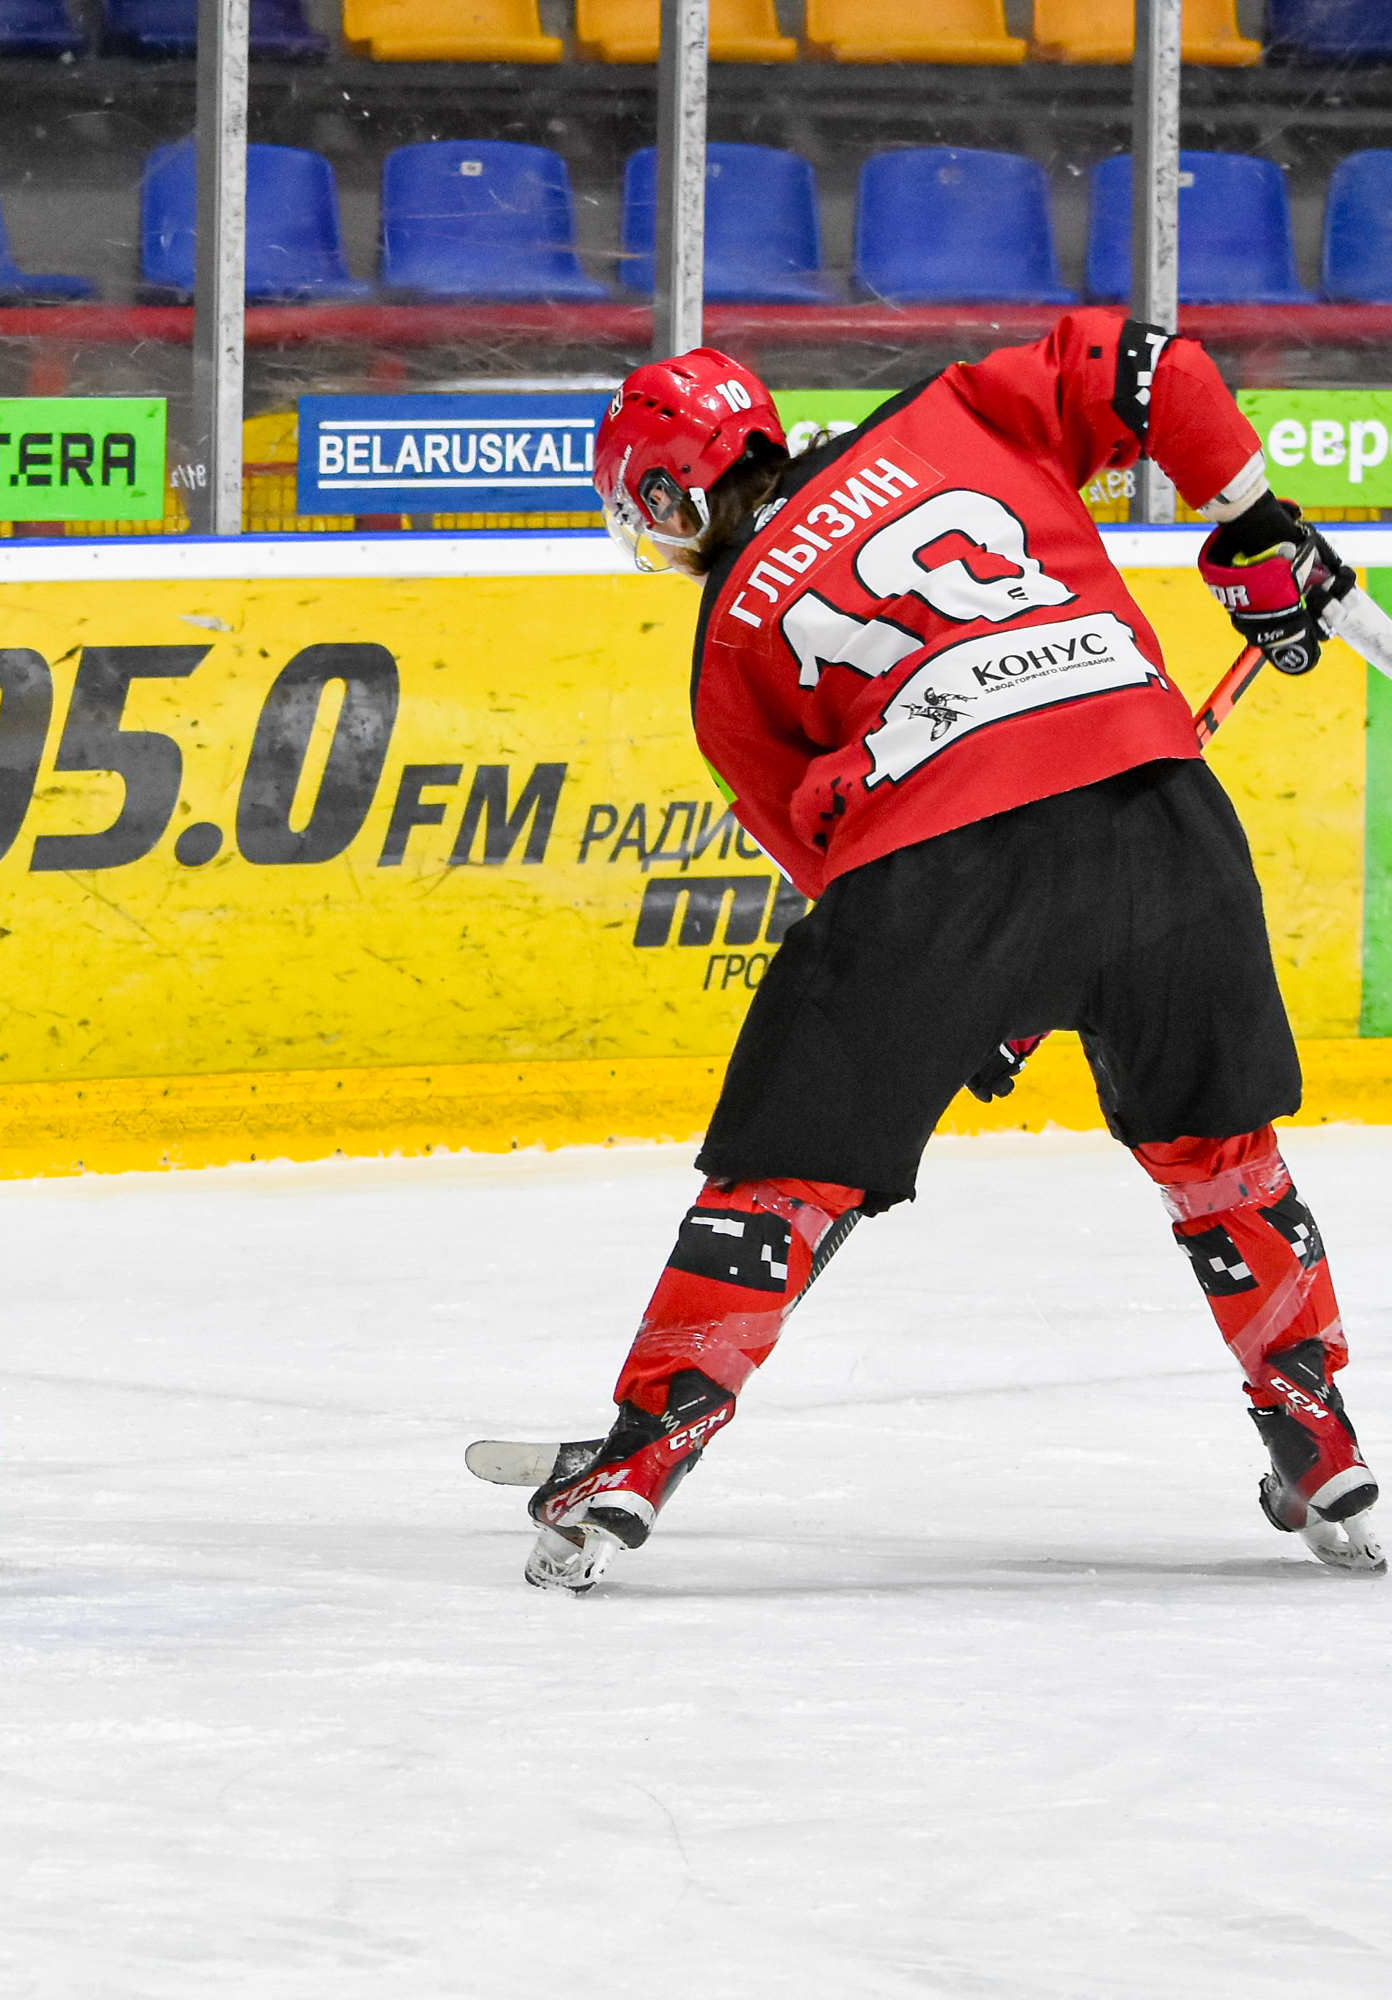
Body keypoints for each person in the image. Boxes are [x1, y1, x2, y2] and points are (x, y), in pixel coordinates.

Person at [531, 309, 1382, 1592]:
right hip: (1164, 812)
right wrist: (1254, 521)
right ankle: (1319, 1439)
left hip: (937, 863)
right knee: (1221, 1159)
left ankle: (635, 1463)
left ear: (667, 495)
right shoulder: (955, 411)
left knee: (790, 1171)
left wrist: (982, 991)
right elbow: (1148, 364)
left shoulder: (726, 654)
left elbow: (837, 859)